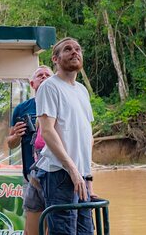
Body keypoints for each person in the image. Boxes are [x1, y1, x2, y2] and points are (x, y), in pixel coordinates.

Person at [36, 37, 96, 235]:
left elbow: (87, 134)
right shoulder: (49, 87)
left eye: (78, 49)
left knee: (86, 231)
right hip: (59, 173)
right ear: (55, 58)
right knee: (64, 231)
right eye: (68, 49)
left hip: (80, 175)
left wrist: (87, 176)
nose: (74, 52)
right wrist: (71, 168)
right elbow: (47, 130)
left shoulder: (82, 90)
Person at [6, 65, 53, 235]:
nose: (44, 77)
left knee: (53, 223)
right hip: (31, 176)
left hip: (55, 174)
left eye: (48, 75)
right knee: (32, 226)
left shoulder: (60, 104)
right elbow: (10, 143)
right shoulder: (22, 109)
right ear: (32, 84)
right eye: (40, 75)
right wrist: (17, 135)